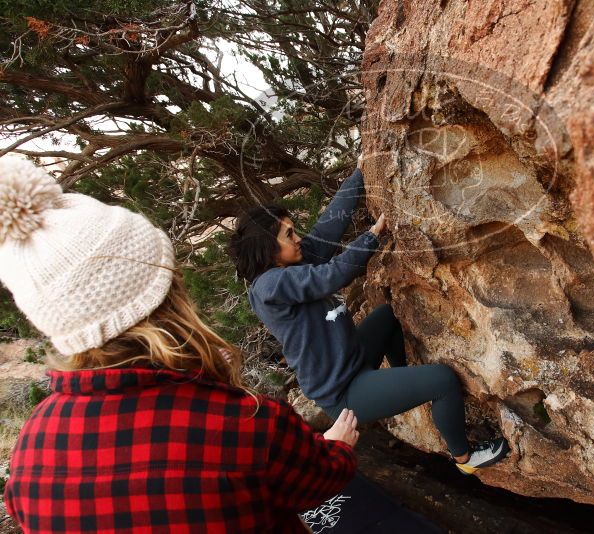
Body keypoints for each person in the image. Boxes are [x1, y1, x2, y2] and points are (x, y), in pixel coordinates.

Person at [0, 157, 358, 533]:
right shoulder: (244, 422)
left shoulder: (31, 452)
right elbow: (321, 480)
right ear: (169, 294)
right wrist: (336, 447)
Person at [228, 161, 510, 476]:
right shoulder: (270, 285)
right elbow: (333, 276)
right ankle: (465, 458)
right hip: (344, 391)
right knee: (443, 381)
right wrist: (372, 235)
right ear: (268, 248)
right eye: (289, 234)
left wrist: (361, 173)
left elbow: (327, 227)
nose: (297, 239)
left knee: (388, 315)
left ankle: (405, 386)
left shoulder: (288, 265)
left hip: (354, 358)